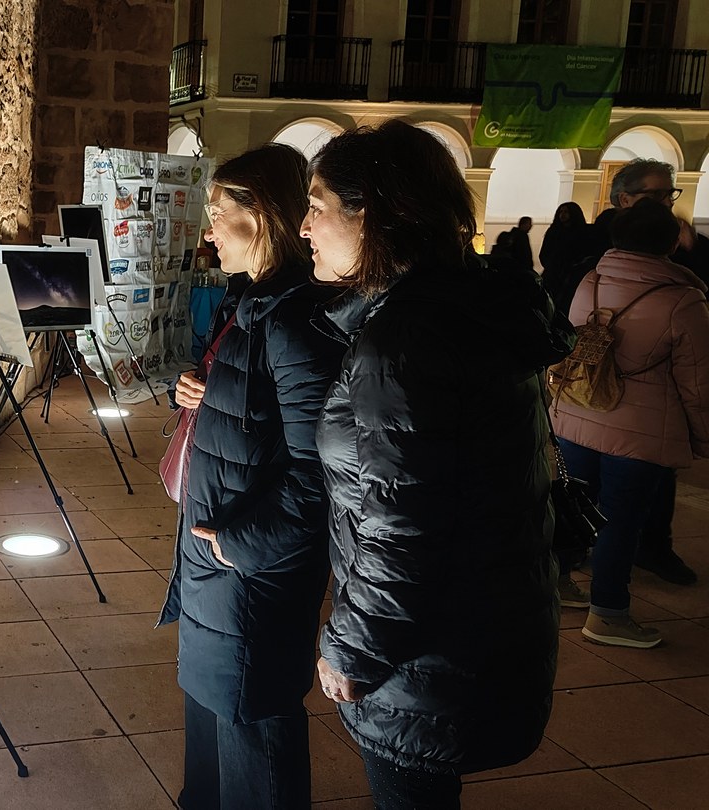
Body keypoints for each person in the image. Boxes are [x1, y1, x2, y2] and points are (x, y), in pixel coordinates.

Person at [304, 120, 563, 808]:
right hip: (481, 625)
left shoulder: (403, 340)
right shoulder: (463, 307)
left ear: (376, 216)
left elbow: (403, 520)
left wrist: (353, 648)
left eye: (319, 206)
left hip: (429, 651)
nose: (305, 227)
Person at [156, 142, 344, 810]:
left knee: (252, 726)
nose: (208, 231)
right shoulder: (251, 305)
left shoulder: (293, 322)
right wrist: (198, 389)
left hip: (249, 572)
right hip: (220, 562)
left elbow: (317, 479)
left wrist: (235, 546)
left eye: (218, 212)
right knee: (212, 717)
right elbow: (252, 412)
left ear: (260, 216)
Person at [550, 199, 709, 647]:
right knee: (620, 521)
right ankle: (608, 614)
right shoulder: (683, 299)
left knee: (575, 505)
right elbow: (698, 383)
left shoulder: (591, 281)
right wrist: (702, 436)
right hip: (639, 430)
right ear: (672, 243)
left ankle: (561, 580)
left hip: (578, 413)